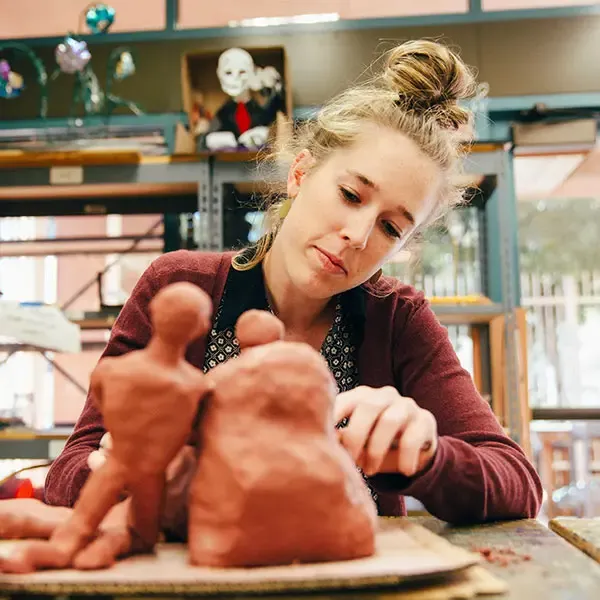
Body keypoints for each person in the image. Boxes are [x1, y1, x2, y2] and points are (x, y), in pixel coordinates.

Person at [44, 40, 541, 529]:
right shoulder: (179, 286)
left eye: (391, 228)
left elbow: (519, 483)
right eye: (350, 194)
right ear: (300, 173)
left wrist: (427, 454)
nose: (358, 234)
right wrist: (132, 473)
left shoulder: (398, 318)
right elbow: (69, 470)